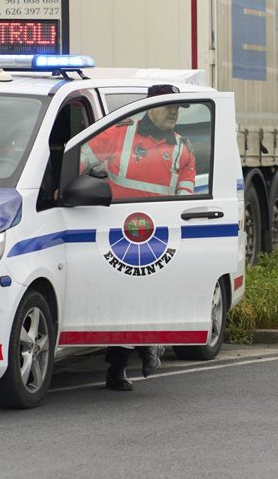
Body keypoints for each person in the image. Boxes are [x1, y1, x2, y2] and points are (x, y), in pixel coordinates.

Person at [80, 84, 196, 391]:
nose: (174, 112)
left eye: (177, 108)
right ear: (150, 108)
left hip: (157, 238)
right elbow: (80, 159)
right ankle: (131, 359)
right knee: (122, 302)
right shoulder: (119, 134)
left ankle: (141, 350)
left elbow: (186, 198)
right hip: (116, 232)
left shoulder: (183, 149)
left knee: (146, 299)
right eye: (168, 106)